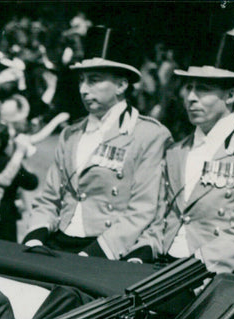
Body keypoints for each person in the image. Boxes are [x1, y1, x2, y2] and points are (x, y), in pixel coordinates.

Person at [126, 32, 234, 279]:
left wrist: (188, 272)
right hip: (162, 267)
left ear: (231, 95)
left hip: (221, 276)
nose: (190, 97)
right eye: (189, 87)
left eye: (203, 89)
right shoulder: (176, 151)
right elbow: (161, 219)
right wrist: (140, 253)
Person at [23, 27, 172, 260]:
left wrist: (93, 254)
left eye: (93, 81)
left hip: (107, 248)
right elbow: (49, 198)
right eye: (82, 80)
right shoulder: (71, 134)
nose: (83, 89)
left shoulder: (148, 135)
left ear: (122, 86)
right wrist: (35, 236)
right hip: (58, 241)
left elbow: (142, 209)